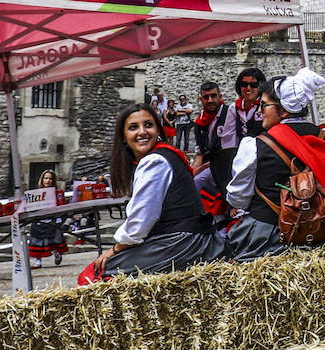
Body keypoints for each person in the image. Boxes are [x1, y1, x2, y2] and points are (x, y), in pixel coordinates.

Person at [226, 69, 325, 261]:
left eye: (263, 105)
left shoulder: (255, 145)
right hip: (324, 233)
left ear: (284, 109)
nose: (259, 111)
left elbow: (237, 198)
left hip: (269, 237)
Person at [84, 104, 223, 280]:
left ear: (158, 130)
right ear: (124, 137)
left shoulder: (154, 162)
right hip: (185, 240)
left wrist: (114, 250)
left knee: (94, 276)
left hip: (181, 243)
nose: (142, 132)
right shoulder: (160, 157)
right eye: (133, 127)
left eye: (148, 125)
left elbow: (140, 223)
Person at [193, 80, 239, 215]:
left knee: (198, 181)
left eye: (213, 96)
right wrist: (194, 168)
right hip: (210, 163)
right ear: (200, 99)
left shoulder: (230, 115)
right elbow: (200, 152)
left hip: (227, 162)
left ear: (220, 96)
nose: (210, 100)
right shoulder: (200, 122)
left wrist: (201, 168)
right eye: (206, 97)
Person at [27, 169, 68, 269]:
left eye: (50, 179)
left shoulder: (57, 193)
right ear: (42, 180)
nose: (48, 181)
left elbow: (61, 206)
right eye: (46, 178)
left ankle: (57, 253)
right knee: (36, 237)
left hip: (52, 219)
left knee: (54, 237)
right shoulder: (36, 194)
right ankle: (38, 261)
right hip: (39, 220)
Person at [232, 67, 267, 141]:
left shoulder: (266, 106)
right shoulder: (234, 108)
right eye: (244, 84)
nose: (248, 88)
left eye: (254, 84)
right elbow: (229, 136)